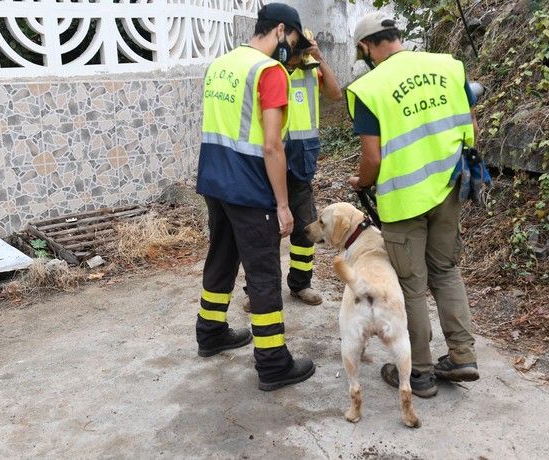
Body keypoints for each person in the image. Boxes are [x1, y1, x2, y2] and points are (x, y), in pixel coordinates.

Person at [346, 12, 481, 398]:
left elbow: (371, 159)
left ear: (365, 47)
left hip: (404, 202)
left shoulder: (370, 87)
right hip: (448, 188)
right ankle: (462, 356)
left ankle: (419, 372)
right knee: (446, 270)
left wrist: (361, 182)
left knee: (412, 285)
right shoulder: (448, 66)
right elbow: (471, 125)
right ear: (397, 36)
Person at [195, 3, 315, 391]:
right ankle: (273, 361)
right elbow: (272, 147)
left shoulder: (221, 65)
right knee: (263, 274)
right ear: (281, 30)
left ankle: (210, 331)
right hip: (250, 185)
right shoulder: (269, 71)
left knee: (222, 255)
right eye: (293, 40)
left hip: (216, 178)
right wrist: (282, 205)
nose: (292, 49)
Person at [243, 34, 343, 310]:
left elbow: (335, 94)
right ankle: (259, 289)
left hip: (301, 159)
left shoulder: (312, 67)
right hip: (269, 157)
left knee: (305, 226)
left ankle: (301, 283)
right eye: (296, 53)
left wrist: (320, 59)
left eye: (303, 53)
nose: (299, 58)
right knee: (264, 229)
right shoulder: (267, 69)